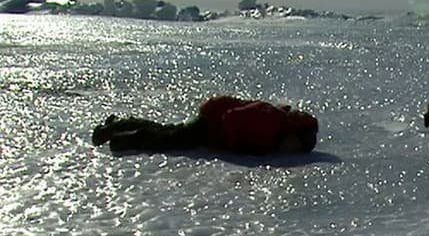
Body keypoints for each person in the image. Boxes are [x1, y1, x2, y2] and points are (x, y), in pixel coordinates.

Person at [91, 95, 319, 155]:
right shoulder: (271, 120)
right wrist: (234, 145)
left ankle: (117, 125)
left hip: (214, 120)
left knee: (169, 131)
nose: (292, 150)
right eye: (297, 145)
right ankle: (119, 139)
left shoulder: (277, 132)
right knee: (171, 140)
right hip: (213, 120)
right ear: (294, 134)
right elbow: (232, 118)